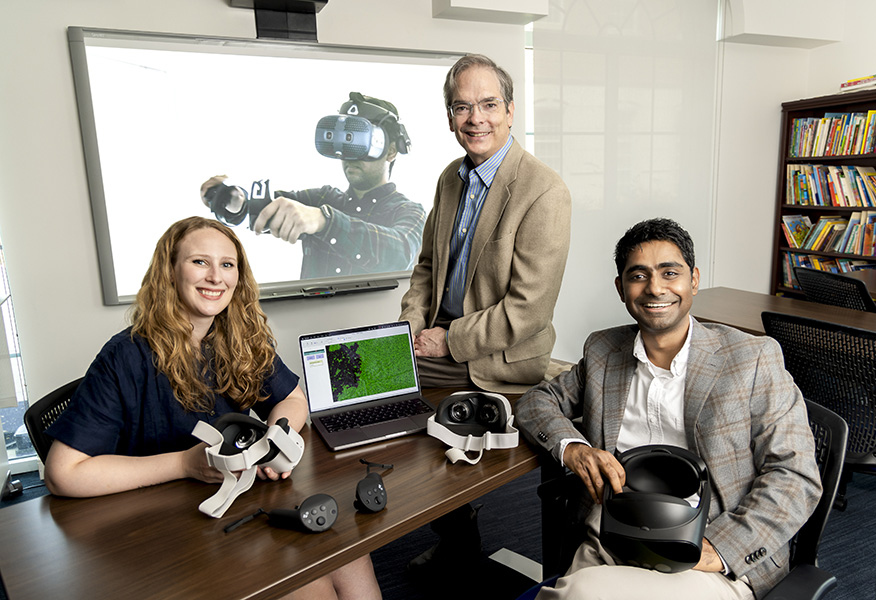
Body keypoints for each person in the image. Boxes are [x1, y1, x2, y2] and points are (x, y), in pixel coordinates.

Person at [43, 216, 381, 600]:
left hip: (239, 503)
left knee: (351, 552)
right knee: (312, 585)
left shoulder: (238, 337)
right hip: (163, 526)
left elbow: (294, 399)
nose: (215, 277)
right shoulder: (125, 356)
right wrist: (184, 464)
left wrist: (274, 441)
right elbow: (63, 474)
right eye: (199, 262)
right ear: (170, 271)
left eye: (227, 264)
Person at [515, 218, 823, 599]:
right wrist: (572, 448)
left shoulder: (752, 358)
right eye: (638, 276)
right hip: (612, 535)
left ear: (693, 280)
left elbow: (796, 476)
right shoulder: (602, 352)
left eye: (669, 273)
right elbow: (536, 402)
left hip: (710, 547)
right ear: (621, 288)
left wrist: (721, 548)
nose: (655, 288)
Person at [398, 53, 571, 575]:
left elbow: (529, 308)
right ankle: (455, 535)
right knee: (366, 387)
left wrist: (446, 342)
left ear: (511, 111)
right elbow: (427, 267)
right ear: (449, 117)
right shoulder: (450, 179)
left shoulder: (544, 190)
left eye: (489, 104)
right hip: (437, 344)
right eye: (462, 107)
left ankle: (458, 535)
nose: (476, 118)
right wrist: (408, 328)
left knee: (429, 422)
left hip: (498, 357)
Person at [201, 93, 425, 280]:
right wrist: (230, 199)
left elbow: (399, 255)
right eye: (346, 141)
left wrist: (324, 221)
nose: (350, 155)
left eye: (360, 143)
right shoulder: (322, 199)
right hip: (315, 329)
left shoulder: (409, 212)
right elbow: (262, 208)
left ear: (391, 151)